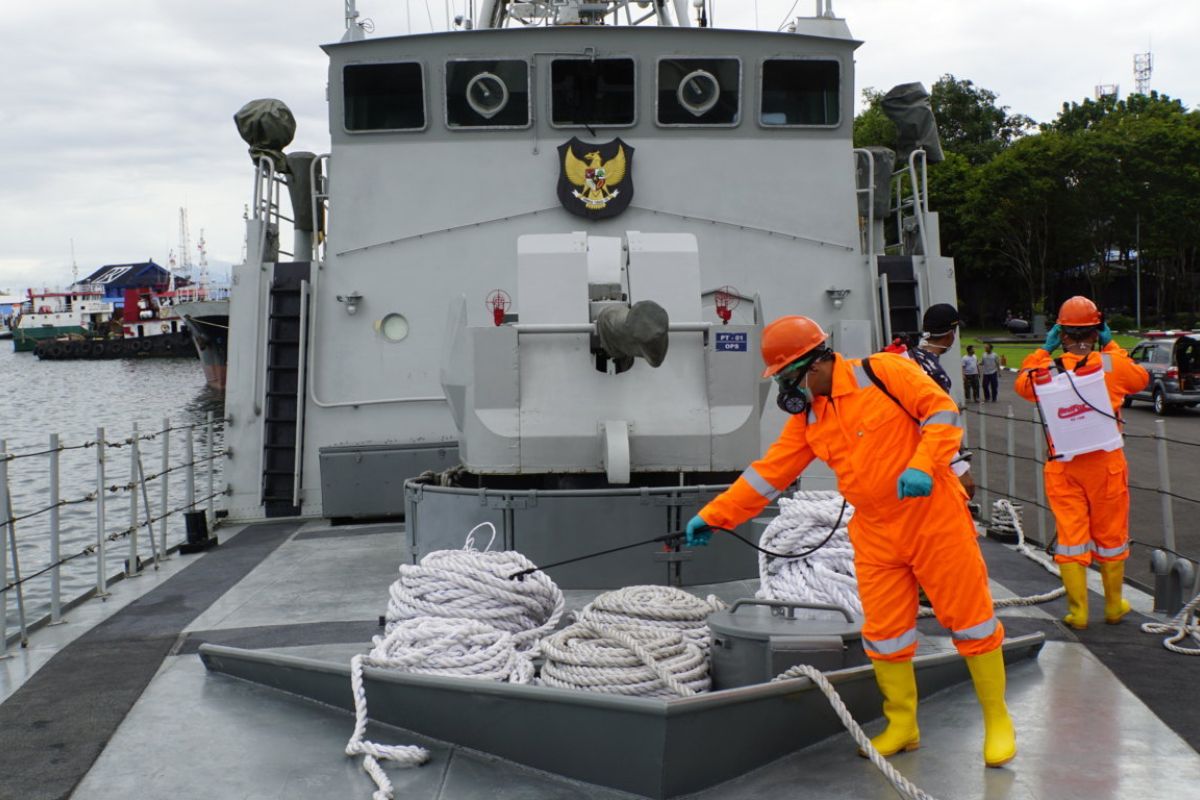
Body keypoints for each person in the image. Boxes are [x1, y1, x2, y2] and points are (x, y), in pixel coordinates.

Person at [686, 316, 1016, 767]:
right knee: (883, 633)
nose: (787, 389)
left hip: (933, 518)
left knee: (970, 621)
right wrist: (714, 516)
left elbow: (941, 412)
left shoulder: (885, 372)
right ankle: (902, 724)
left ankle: (997, 720)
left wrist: (923, 463)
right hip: (876, 530)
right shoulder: (809, 418)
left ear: (816, 363)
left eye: (788, 377)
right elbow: (770, 473)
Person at [1014, 297, 1149, 629]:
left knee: (1071, 536)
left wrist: (1043, 351)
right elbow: (1140, 380)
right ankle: (1114, 605)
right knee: (1112, 535)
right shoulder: (1111, 364)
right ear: (1096, 330)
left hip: (1063, 464)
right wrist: (1112, 343)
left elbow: (1022, 384)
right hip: (1106, 463)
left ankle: (1078, 611)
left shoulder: (1045, 369)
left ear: (1061, 333)